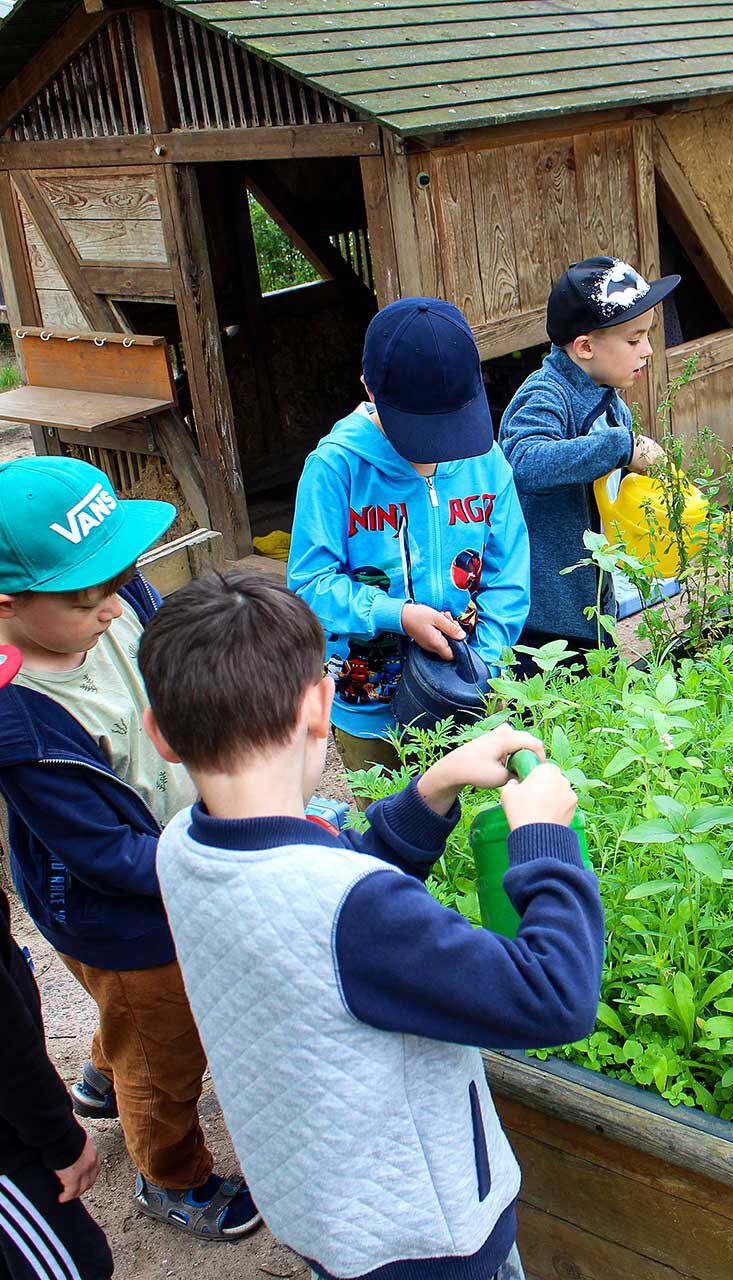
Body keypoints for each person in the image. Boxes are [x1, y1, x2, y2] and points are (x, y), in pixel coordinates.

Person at [139, 570, 604, 1280]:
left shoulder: (182, 846)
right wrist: (543, 838)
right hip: (426, 1239)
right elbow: (555, 996)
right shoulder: (356, 912)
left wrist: (432, 788)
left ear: (161, 735)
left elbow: (310, 888)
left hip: (321, 1204)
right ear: (323, 706)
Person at [0, 457, 260, 1242]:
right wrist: (220, 854)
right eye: (88, 598)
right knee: (167, 1050)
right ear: (8, 605)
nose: (116, 606)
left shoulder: (113, 602)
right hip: (121, 917)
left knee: (137, 1026)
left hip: (165, 853)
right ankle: (171, 1175)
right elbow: (106, 855)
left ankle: (103, 1077)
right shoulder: (19, 722)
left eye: (121, 579)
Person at [289, 297, 530, 775]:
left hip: (470, 686)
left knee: (472, 824)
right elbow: (310, 585)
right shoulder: (336, 468)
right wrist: (395, 614)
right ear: (369, 390)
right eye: (420, 431)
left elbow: (510, 576)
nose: (435, 450)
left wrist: (481, 670)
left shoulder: (486, 460)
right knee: (389, 828)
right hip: (369, 701)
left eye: (448, 427)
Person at [499, 257, 678, 668]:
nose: (648, 351)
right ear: (584, 347)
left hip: (594, 603)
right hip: (544, 614)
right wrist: (620, 447)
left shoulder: (609, 400)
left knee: (599, 709)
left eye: (647, 336)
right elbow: (524, 461)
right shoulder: (547, 394)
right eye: (634, 340)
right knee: (550, 720)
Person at [0, 640, 115, 1280]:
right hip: (13, 1148)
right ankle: (174, 1184)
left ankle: (103, 1074)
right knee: (74, 1264)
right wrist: (57, 1139)